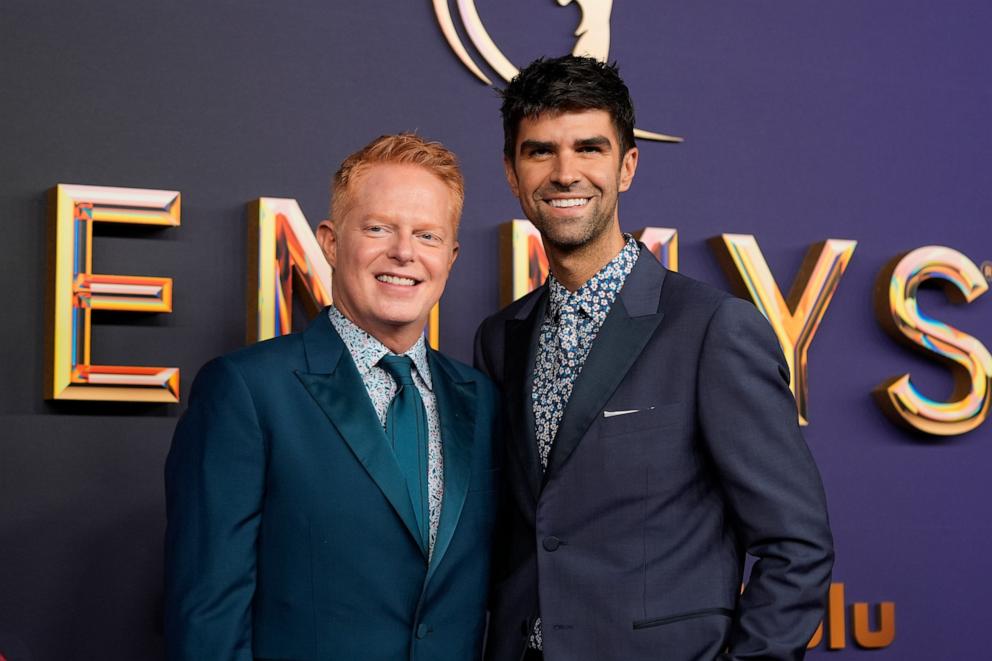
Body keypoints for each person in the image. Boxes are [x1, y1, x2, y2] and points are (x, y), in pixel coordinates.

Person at [475, 56, 833, 661]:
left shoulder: (714, 330)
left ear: (627, 166)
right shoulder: (500, 336)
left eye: (590, 148)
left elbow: (797, 544)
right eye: (540, 152)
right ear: (512, 172)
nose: (566, 173)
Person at [165, 133, 500, 661]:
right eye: (378, 228)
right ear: (330, 241)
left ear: (451, 257)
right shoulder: (248, 391)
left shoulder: (483, 401)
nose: (404, 252)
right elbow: (208, 612)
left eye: (428, 236)